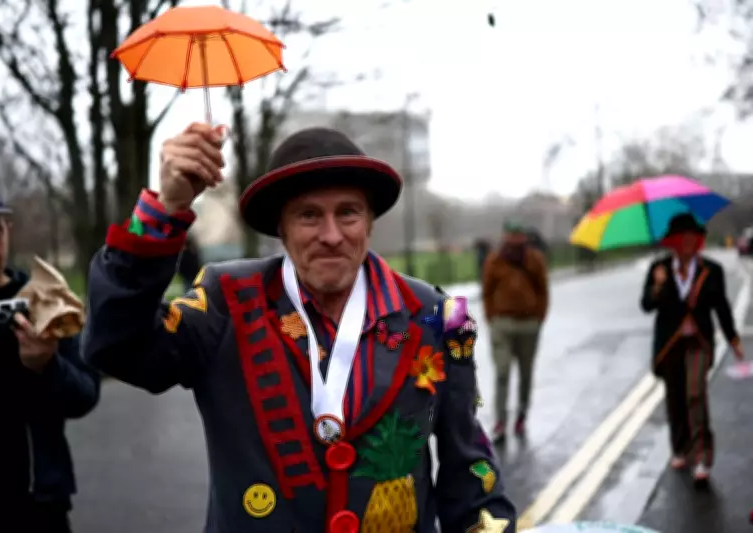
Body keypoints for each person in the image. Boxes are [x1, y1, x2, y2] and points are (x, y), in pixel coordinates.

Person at [82, 123, 517, 533]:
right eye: (308, 216)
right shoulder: (226, 300)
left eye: (348, 213)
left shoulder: (439, 316)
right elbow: (116, 345)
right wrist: (164, 209)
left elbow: (470, 474)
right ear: (282, 229)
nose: (332, 235)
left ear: (369, 221)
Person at [0, 184, 100, 532]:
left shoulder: (44, 298)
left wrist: (47, 366)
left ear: (9, 230)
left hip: (39, 503)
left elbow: (85, 395)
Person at [640, 213, 744, 484]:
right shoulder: (659, 268)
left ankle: (702, 457)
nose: (687, 243)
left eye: (692, 238)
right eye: (682, 238)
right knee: (675, 397)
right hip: (670, 345)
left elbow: (721, 307)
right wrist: (658, 286)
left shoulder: (711, 270)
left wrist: (733, 340)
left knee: (695, 394)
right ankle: (680, 448)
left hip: (698, 343)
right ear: (672, 242)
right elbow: (647, 305)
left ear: (698, 241)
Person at [482, 220, 548, 443]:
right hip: (502, 324)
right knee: (502, 372)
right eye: (511, 235)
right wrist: (492, 318)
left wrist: (539, 317)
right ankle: (500, 421)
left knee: (526, 373)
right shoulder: (495, 260)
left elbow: (542, 290)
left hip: (528, 324)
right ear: (505, 236)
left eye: (519, 235)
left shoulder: (534, 259)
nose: (515, 239)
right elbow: (487, 292)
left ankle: (521, 414)